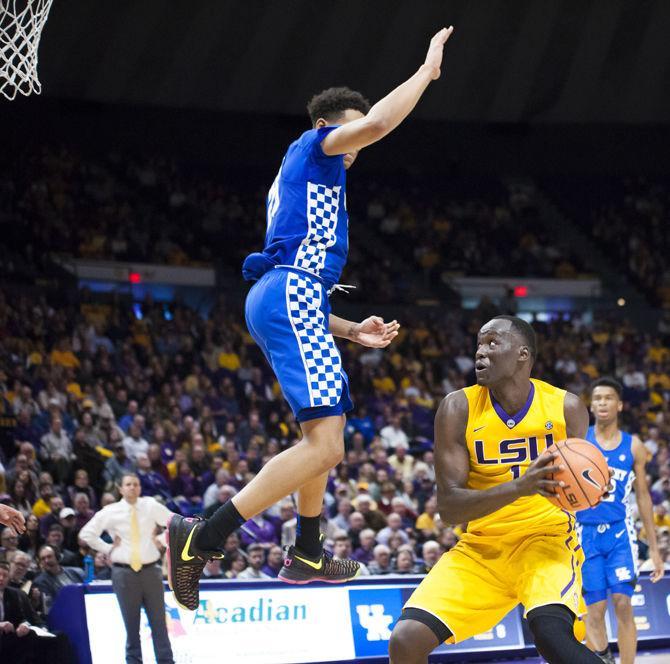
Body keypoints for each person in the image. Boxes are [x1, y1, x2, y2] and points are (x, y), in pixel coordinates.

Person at [165, 26, 454, 610]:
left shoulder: (314, 175)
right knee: (326, 447)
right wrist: (424, 74)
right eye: (350, 128)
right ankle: (204, 534)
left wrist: (350, 330)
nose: (359, 140)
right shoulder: (314, 144)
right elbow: (373, 126)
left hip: (289, 296)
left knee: (323, 435)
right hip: (289, 293)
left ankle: (308, 550)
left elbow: (299, 276)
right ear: (331, 126)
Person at [389, 315, 605, 664]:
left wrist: (594, 492)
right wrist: (520, 486)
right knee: (405, 640)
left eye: (492, 343)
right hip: (481, 547)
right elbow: (449, 509)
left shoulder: (566, 407)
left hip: (545, 540)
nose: (480, 353)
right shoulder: (458, 407)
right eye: (479, 344)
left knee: (551, 637)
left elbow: (579, 486)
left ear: (523, 354)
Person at [576, 377, 665, 664]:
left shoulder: (634, 446)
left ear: (620, 404)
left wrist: (653, 548)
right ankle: (602, 659)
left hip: (620, 535)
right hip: (584, 534)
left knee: (623, 605)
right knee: (595, 611)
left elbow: (643, 498)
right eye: (597, 398)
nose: (602, 402)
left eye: (608, 397)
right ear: (591, 405)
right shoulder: (578, 442)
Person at [79, 473, 174, 664]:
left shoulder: (150, 505)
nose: (132, 487)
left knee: (159, 624)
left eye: (136, 484)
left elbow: (175, 523)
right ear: (121, 489)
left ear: (140, 488)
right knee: (132, 626)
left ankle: (166, 661)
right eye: (128, 484)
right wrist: (107, 548)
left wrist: (162, 540)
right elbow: (86, 534)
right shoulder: (110, 511)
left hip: (151, 571)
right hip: (124, 573)